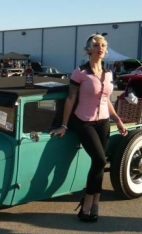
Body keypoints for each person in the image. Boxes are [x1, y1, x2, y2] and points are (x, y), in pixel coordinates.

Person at [50, 33, 128, 222]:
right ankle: (87, 201)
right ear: (89, 49)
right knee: (100, 160)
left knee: (98, 164)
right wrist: (64, 125)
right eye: (96, 45)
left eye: (103, 45)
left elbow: (106, 100)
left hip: (103, 123)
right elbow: (70, 99)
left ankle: (95, 203)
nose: (100, 47)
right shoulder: (80, 72)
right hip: (83, 121)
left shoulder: (109, 73)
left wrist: (117, 119)